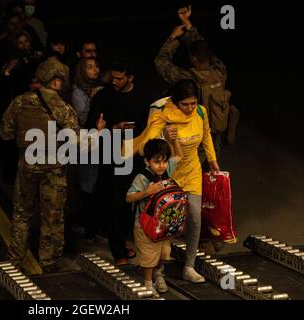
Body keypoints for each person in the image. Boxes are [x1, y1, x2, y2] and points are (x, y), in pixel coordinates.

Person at [0, 61, 105, 273]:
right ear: (56, 82)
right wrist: (99, 132)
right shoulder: (63, 109)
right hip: (54, 170)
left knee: (22, 213)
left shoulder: (20, 102)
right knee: (53, 216)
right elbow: (79, 143)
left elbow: (5, 133)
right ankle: (48, 262)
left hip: (26, 167)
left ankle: (14, 260)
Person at [125, 79, 221, 283]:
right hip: (170, 174)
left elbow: (206, 136)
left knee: (195, 219)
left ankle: (189, 266)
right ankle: (159, 270)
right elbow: (147, 146)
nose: (189, 108)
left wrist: (212, 160)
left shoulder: (201, 112)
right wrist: (164, 136)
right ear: (175, 102)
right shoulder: (163, 114)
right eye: (185, 104)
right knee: (167, 221)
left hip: (193, 171)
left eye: (193, 103)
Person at [86, 58, 151, 265]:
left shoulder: (143, 97)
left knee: (136, 201)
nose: (114, 81)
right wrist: (111, 129)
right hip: (111, 157)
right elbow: (89, 127)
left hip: (137, 156)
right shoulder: (103, 97)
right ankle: (119, 251)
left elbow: (151, 126)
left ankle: (131, 242)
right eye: (112, 77)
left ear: (130, 78)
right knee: (116, 203)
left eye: (119, 78)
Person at [154, 5, 230, 162]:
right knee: (211, 173)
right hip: (214, 135)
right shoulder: (220, 70)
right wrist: (188, 24)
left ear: (193, 58)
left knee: (189, 174)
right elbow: (204, 49)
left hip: (192, 137)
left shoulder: (187, 79)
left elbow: (161, 61)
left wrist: (173, 38)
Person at [126, 138, 183, 297]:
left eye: (164, 161)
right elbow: (128, 198)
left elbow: (179, 155)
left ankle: (159, 275)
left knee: (165, 253)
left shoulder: (166, 170)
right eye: (157, 162)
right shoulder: (141, 177)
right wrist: (146, 192)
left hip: (163, 224)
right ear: (147, 161)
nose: (162, 165)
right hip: (144, 224)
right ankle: (148, 283)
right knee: (149, 256)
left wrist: (174, 140)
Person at [70, 57, 104, 243]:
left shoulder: (99, 88)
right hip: (85, 142)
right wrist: (93, 98)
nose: (95, 70)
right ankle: (88, 228)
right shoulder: (77, 91)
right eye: (90, 67)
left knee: (97, 184)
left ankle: (96, 225)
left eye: (96, 65)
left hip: (100, 141)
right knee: (87, 184)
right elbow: (82, 118)